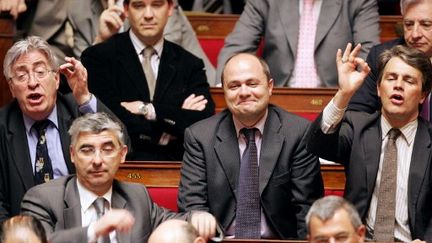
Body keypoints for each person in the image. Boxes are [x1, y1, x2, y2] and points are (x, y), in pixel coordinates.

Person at [177, 53, 324, 239]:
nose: (244, 92)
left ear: (270, 87)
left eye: (252, 84)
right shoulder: (200, 136)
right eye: (234, 86)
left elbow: (307, 210)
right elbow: (192, 205)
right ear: (224, 91)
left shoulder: (298, 133)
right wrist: (198, 218)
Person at [20, 112, 216, 243]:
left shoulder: (136, 195)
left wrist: (198, 217)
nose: (97, 160)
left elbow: (174, 221)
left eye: (107, 150)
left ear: (122, 154)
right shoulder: (43, 198)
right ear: (72, 154)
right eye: (87, 150)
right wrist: (94, 230)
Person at [306, 43, 432, 241]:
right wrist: (344, 94)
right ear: (379, 89)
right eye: (391, 78)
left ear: (423, 95)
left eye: (409, 80)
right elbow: (317, 143)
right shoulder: (358, 128)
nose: (398, 85)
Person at [0, 36, 117, 224]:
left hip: (84, 228)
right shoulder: (2, 126)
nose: (32, 82)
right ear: (12, 88)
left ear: (56, 79)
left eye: (40, 72)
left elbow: (123, 144)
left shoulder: (78, 109)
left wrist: (85, 98)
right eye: (21, 76)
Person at [81, 0, 215, 161]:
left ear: (170, 8)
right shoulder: (99, 57)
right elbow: (107, 119)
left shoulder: (189, 63)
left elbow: (204, 120)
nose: (149, 15)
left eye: (157, 5)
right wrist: (171, 126)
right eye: (139, 6)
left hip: (176, 169)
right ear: (126, 10)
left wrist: (147, 109)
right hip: (122, 167)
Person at [216, 0, 380, 87]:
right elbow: (237, 46)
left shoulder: (358, 2)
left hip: (338, 99)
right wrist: (224, 88)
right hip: (276, 99)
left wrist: (354, 96)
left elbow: (368, 52)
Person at [349, 0, 432, 116]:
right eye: (408, 24)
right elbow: (357, 113)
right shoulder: (381, 55)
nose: (415, 34)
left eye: (426, 25)